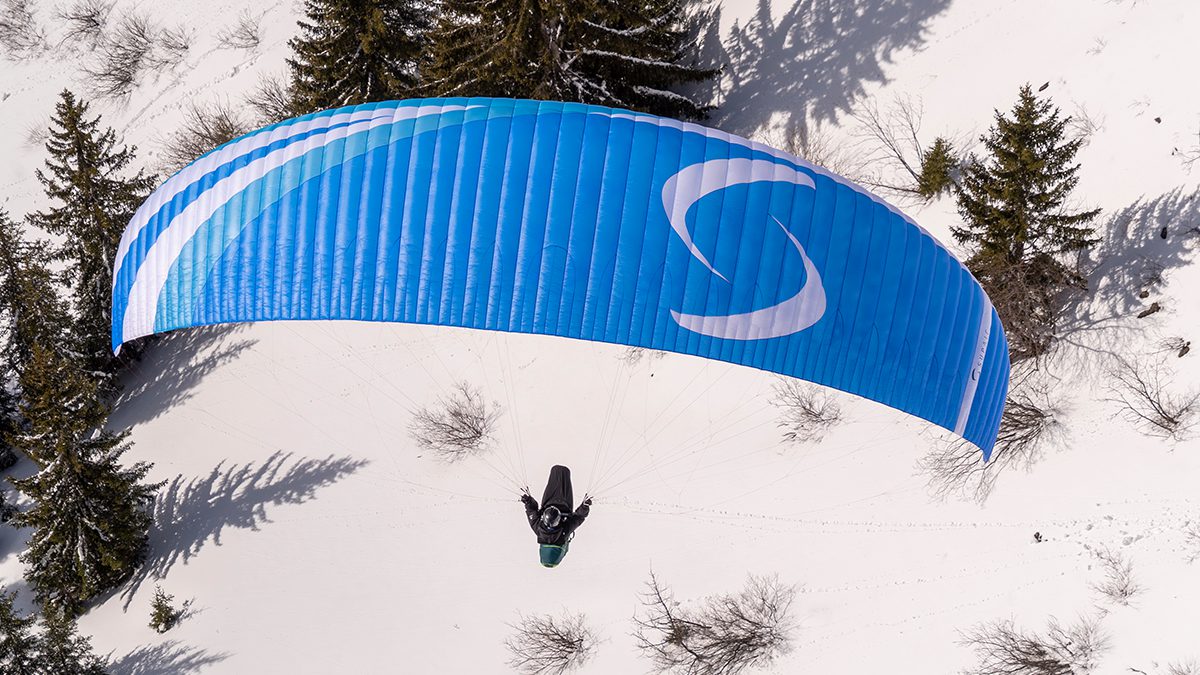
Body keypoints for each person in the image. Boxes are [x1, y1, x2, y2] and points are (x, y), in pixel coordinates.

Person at [521, 465, 592, 567]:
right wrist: (584, 506)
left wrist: (528, 501)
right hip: (558, 501)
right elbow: (578, 518)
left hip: (562, 502)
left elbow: (531, 511)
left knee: (559, 471)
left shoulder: (548, 531)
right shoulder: (556, 532)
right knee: (562, 472)